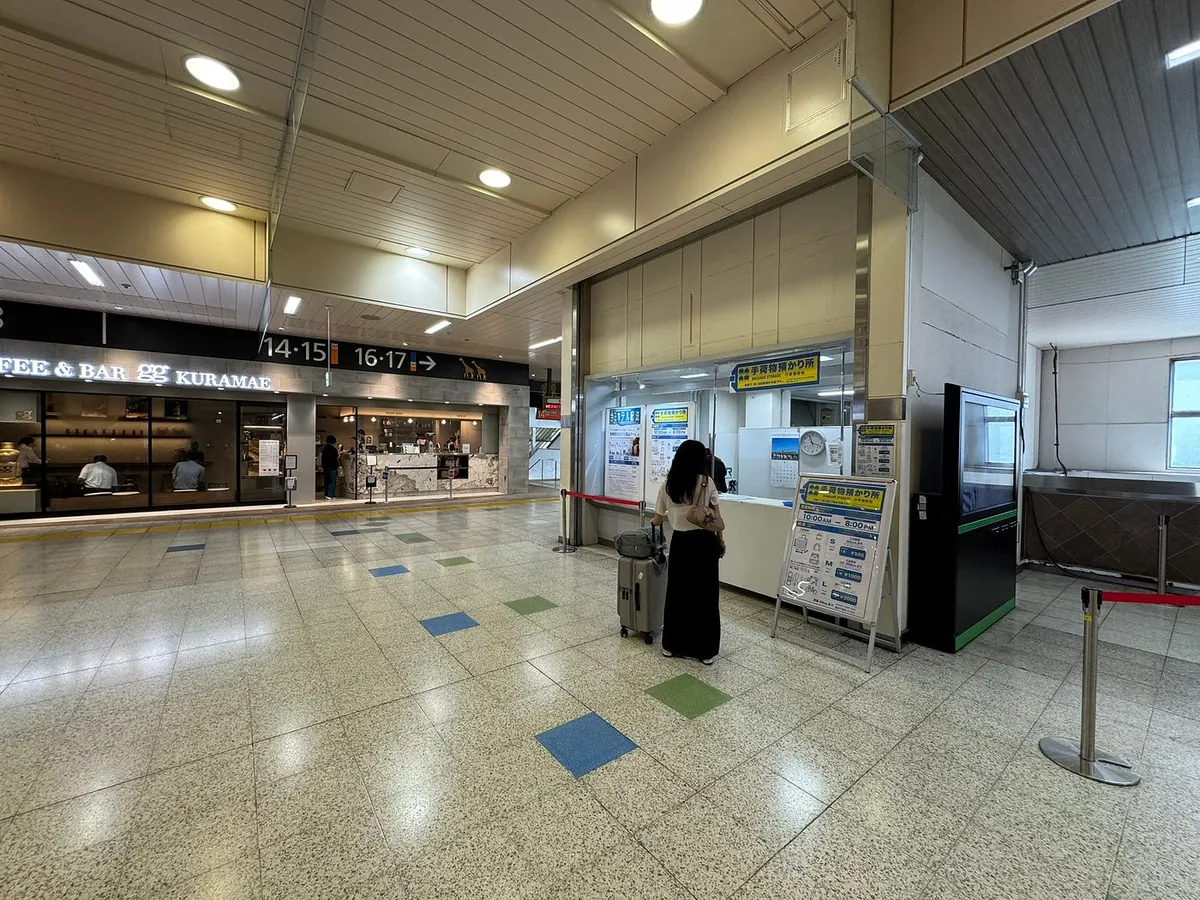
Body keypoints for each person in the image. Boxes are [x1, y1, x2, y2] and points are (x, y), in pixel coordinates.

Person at [650, 439, 725, 664]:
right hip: (705, 543)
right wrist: (721, 540)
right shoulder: (707, 482)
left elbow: (657, 519)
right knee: (705, 596)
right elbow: (716, 516)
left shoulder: (669, 485)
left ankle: (672, 645)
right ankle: (705, 651)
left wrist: (652, 524)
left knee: (677, 593)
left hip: (681, 543)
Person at [321, 435, 340, 500]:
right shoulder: (333, 448)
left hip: (325, 466)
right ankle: (331, 495)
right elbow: (336, 456)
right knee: (332, 481)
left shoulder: (324, 447)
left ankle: (326, 494)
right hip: (332, 466)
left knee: (327, 480)